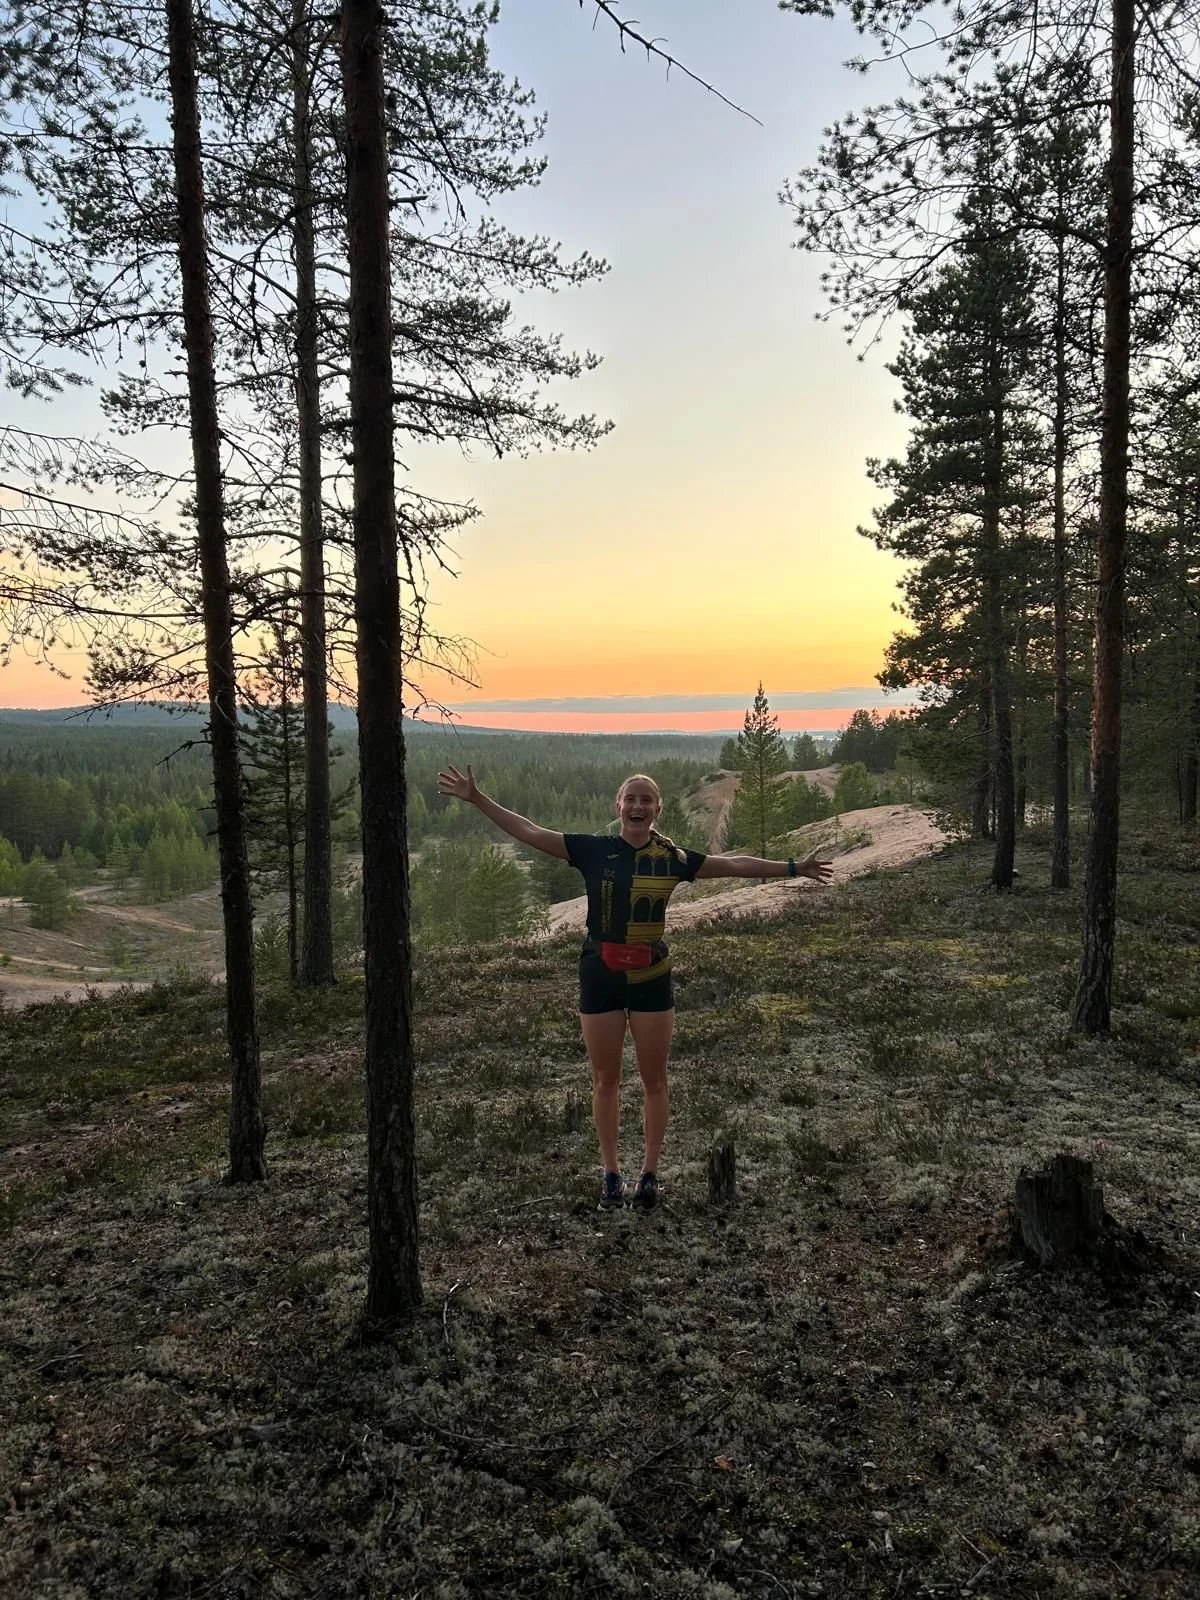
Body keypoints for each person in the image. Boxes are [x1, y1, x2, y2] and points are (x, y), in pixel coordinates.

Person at [435, 764, 833, 1212]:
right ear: (619, 806)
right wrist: (477, 798)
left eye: (647, 800)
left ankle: (648, 1176)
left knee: (654, 1081)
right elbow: (529, 831)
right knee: (605, 1080)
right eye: (632, 798)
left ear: (657, 809)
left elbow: (735, 865)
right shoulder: (591, 850)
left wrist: (794, 867)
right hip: (599, 973)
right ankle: (610, 1175)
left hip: (650, 976)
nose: (638, 806)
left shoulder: (673, 859)